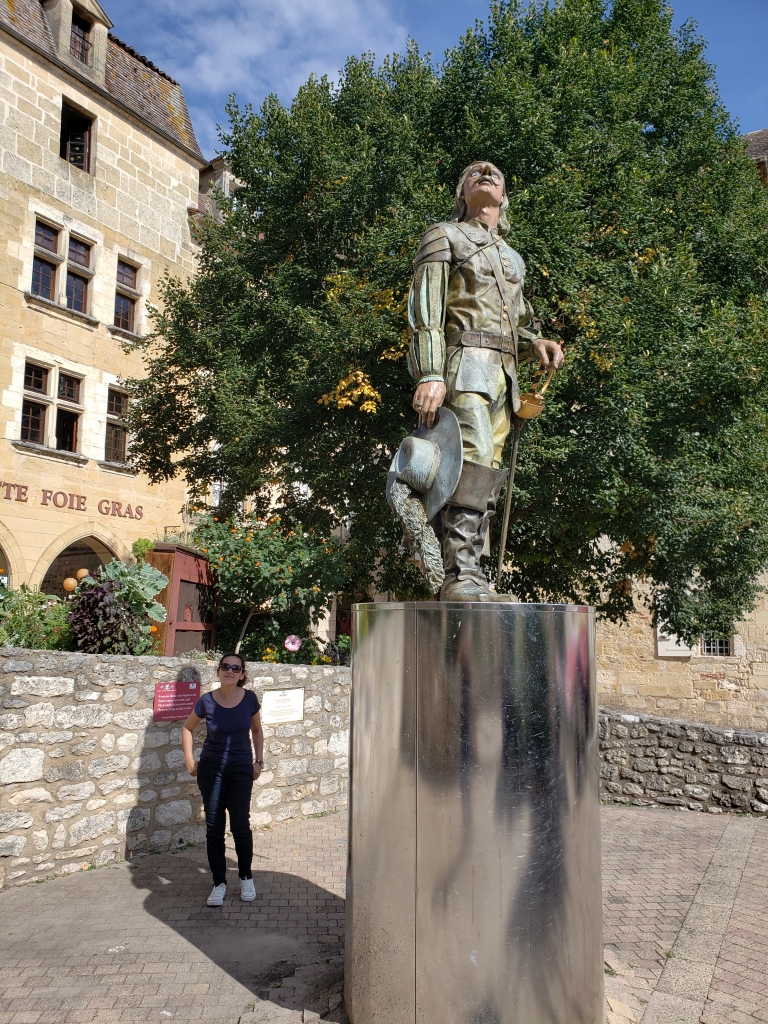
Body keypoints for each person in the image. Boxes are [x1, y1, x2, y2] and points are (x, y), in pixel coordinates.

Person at [407, 160, 565, 600]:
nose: (486, 172)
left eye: (494, 173)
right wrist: (431, 372)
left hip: (504, 373)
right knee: (470, 457)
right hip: (463, 362)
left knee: (487, 471)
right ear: (463, 193)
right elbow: (427, 311)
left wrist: (536, 341)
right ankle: (459, 575)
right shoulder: (444, 235)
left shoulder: (513, 257)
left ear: (504, 198)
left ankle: (474, 573)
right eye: (475, 173)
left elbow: (518, 317)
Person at [181, 652, 264, 906]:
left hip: (240, 770)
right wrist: (189, 759)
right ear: (218, 671)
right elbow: (187, 728)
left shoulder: (250, 699)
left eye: (236, 668)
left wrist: (259, 761)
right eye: (226, 667)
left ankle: (246, 877)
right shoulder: (206, 701)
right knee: (214, 827)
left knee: (240, 826)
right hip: (211, 769)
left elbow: (257, 730)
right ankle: (218, 882)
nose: (230, 671)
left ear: (242, 674)